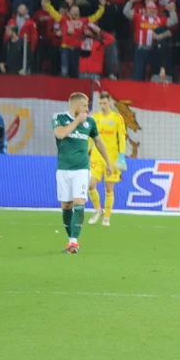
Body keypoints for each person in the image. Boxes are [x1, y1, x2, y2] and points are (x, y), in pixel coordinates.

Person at [52, 92, 115, 253]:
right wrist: (77, 121)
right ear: (75, 106)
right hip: (63, 169)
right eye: (85, 106)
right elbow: (60, 134)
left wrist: (108, 162)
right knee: (66, 205)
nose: (88, 109)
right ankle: (71, 239)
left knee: (79, 202)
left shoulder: (90, 122)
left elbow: (99, 142)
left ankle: (73, 242)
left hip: (81, 169)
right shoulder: (59, 118)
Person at [86, 92, 127, 226]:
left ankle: (107, 217)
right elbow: (90, 137)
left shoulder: (117, 118)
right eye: (100, 103)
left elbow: (121, 138)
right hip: (96, 156)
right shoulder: (94, 118)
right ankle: (98, 210)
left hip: (112, 158)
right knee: (91, 184)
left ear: (109, 102)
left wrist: (122, 155)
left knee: (109, 188)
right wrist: (85, 151)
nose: (102, 105)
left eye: (104, 103)